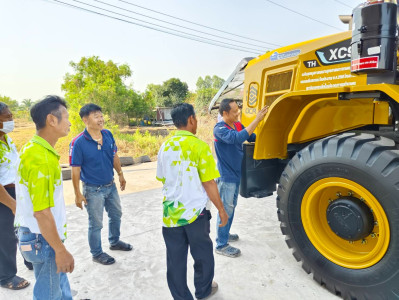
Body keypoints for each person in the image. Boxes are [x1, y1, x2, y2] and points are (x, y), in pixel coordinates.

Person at [157, 103, 228, 300]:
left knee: (175, 261)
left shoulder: (165, 146)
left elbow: (162, 178)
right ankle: (203, 290)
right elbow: (209, 183)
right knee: (203, 255)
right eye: (195, 118)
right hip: (196, 214)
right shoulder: (199, 146)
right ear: (190, 119)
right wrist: (222, 210)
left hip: (171, 215)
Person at [15, 95, 74, 299]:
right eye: (66, 117)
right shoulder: (41, 159)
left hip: (39, 236)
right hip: (43, 239)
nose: (69, 123)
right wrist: (60, 250)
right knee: (49, 294)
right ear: (51, 119)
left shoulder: (34, 149)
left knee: (59, 287)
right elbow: (41, 212)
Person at [69, 103, 131, 265]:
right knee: (96, 223)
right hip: (92, 189)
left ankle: (114, 241)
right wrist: (77, 193)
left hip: (110, 186)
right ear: (85, 120)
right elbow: (75, 170)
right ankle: (96, 253)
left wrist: (120, 174)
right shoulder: (78, 143)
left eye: (101, 115)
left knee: (116, 215)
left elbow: (114, 156)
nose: (101, 119)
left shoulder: (108, 134)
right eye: (96, 116)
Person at [213, 98, 268, 257]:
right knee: (225, 209)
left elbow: (250, 137)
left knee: (231, 207)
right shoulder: (220, 129)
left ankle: (225, 233)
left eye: (238, 110)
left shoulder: (236, 125)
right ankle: (221, 244)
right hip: (226, 177)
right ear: (225, 113)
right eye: (235, 111)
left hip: (236, 174)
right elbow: (237, 138)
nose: (238, 114)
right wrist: (257, 119)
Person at [0, 102, 31, 290]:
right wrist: (11, 203)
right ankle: (6, 276)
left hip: (15, 191)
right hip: (4, 195)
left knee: (23, 230)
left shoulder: (7, 139)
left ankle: (29, 260)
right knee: (6, 236)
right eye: (7, 117)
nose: (12, 120)